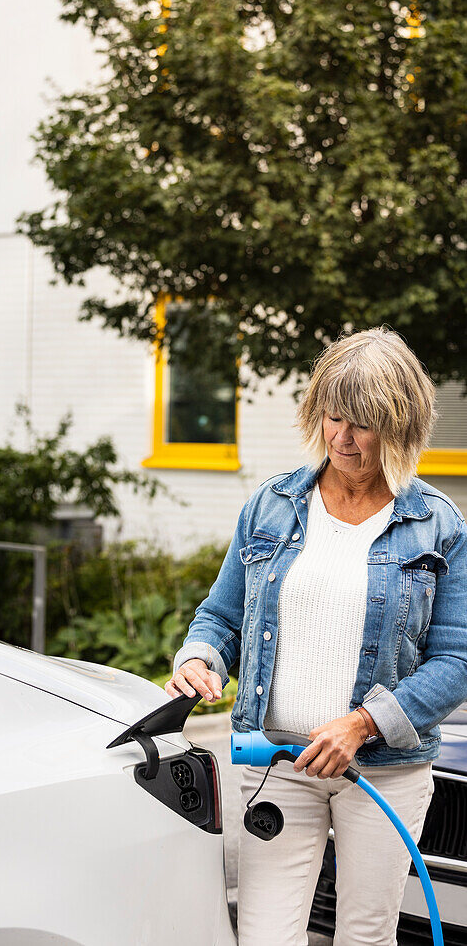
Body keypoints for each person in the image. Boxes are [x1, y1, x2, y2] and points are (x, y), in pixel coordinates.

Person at [165, 327, 467, 946]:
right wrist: (201, 657)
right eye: (333, 417)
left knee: (364, 935)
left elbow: (457, 660)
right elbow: (222, 617)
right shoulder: (271, 506)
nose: (343, 438)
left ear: (400, 425)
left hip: (383, 772)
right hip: (276, 762)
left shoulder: (438, 524)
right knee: (265, 936)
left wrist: (363, 724)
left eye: (364, 424)